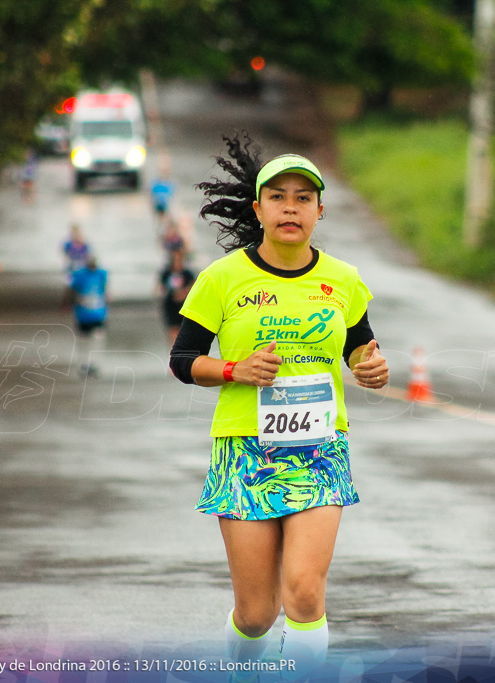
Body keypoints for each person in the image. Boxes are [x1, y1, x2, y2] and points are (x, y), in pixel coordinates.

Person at [169, 134, 389, 679]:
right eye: (278, 197)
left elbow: (361, 349)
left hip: (318, 451)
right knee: (257, 613)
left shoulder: (342, 280)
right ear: (259, 209)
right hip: (245, 451)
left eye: (302, 198)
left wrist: (372, 368)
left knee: (305, 595)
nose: (290, 207)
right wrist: (233, 370)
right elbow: (182, 359)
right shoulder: (222, 280)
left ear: (319, 211)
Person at [70, 255, 109, 378]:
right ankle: (83, 364)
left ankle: (95, 364)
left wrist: (105, 299)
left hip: (98, 313)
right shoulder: (79, 275)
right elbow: (72, 290)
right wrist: (75, 301)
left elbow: (105, 289)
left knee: (98, 338)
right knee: (83, 340)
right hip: (83, 314)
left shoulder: (102, 274)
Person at [157, 248, 196, 345]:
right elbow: (160, 288)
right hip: (171, 305)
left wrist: (183, 293)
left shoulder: (187, 274)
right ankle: (174, 355)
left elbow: (194, 288)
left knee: (184, 333)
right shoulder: (166, 273)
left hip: (184, 306)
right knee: (172, 333)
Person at [62, 223, 91, 308]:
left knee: (80, 287)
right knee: (68, 286)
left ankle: (78, 304)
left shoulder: (84, 244)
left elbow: (87, 256)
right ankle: (67, 304)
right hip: (71, 268)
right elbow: (65, 255)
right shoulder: (68, 244)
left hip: (81, 268)